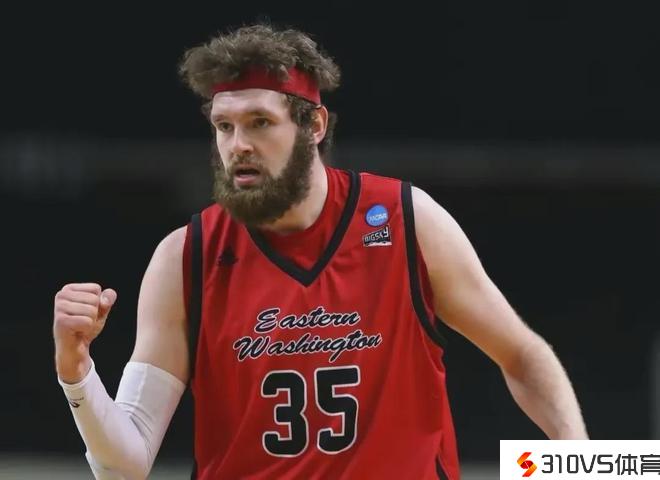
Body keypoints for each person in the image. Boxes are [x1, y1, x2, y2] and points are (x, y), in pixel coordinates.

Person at [53, 23, 588, 480]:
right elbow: (125, 465)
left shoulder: (406, 221)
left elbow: (521, 355)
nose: (238, 144)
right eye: (224, 126)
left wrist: (579, 461)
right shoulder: (186, 258)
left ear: (314, 125)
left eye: (260, 122)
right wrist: (76, 373)